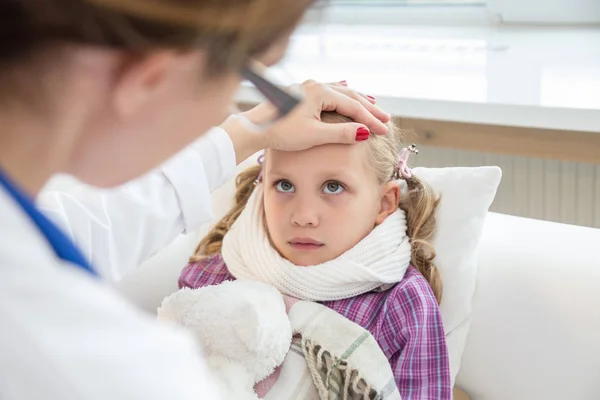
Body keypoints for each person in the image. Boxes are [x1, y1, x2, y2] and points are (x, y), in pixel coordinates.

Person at [0, 1, 391, 398]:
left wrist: (252, 129)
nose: (228, 109)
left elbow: (86, 229)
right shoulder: (109, 372)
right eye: (248, 72)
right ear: (150, 78)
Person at [179, 113, 452, 399]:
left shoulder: (400, 303)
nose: (303, 216)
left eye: (333, 187)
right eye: (285, 185)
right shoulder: (217, 275)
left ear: (383, 203)